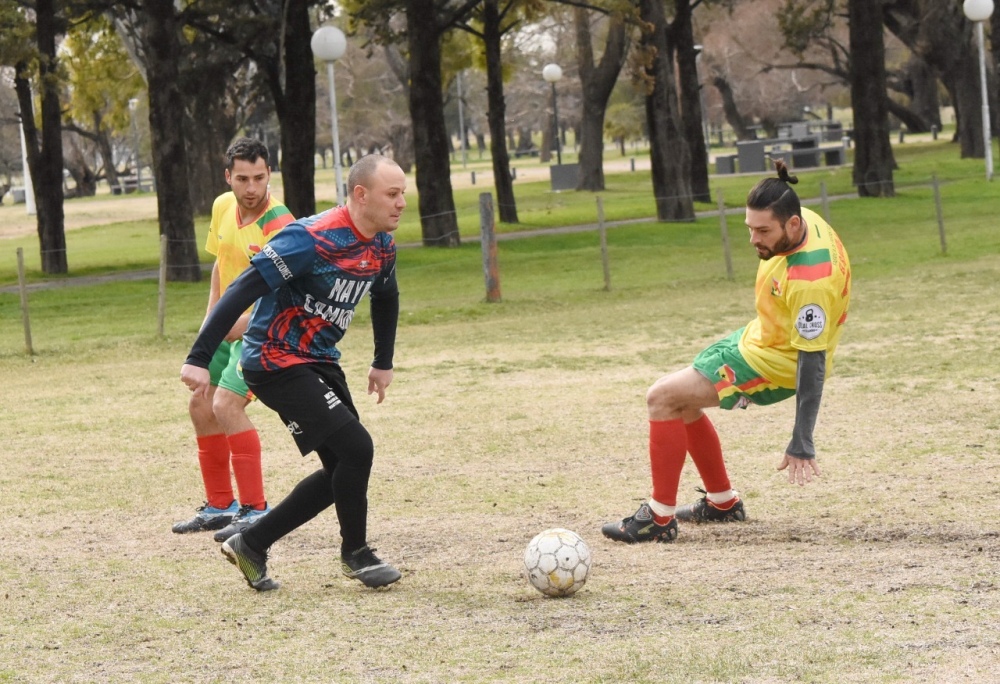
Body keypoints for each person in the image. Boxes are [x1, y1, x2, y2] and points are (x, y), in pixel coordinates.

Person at [180, 153, 407, 591]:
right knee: (357, 449)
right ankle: (356, 554)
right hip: (274, 357)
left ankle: (253, 543)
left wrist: (383, 361)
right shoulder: (311, 238)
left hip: (318, 358)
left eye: (403, 194)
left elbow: (387, 296)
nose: (400, 203)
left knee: (341, 469)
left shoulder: (380, 244)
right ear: (361, 195)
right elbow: (243, 286)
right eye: (392, 194)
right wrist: (198, 355)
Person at [602, 159, 851, 544]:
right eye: (750, 228)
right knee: (681, 401)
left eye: (763, 231)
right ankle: (722, 503)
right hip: (759, 339)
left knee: (662, 398)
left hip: (775, 364)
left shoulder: (810, 282)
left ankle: (658, 519)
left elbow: (813, 362)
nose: (754, 240)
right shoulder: (802, 217)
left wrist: (802, 438)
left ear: (793, 225)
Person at [173, 137, 294, 541]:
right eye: (242, 178)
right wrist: (212, 322)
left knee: (227, 403)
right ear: (228, 178)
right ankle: (219, 505)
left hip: (262, 332)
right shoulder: (223, 207)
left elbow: (288, 295)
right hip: (225, 326)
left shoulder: (280, 225)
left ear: (269, 175)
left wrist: (241, 326)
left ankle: (256, 509)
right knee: (201, 404)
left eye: (259, 178)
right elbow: (220, 267)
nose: (251, 188)